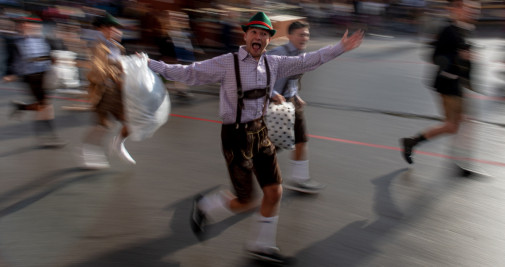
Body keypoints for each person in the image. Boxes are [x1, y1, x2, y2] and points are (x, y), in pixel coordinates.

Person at [146, 12, 363, 264]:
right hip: (235, 136)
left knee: (274, 192)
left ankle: (261, 245)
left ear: (269, 40)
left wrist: (339, 48)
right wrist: (148, 64)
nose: (258, 37)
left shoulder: (275, 64)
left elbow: (309, 60)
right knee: (246, 200)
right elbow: (188, 73)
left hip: (261, 132)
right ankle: (206, 206)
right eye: (254, 32)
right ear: (245, 35)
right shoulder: (228, 62)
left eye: (264, 34)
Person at [400, 0, 480, 171]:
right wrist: (459, 58)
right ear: (455, 10)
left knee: (465, 122)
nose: (472, 12)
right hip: (448, 84)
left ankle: (462, 163)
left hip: (457, 84)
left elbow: (464, 61)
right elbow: (435, 56)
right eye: (467, 9)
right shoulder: (448, 30)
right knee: (452, 126)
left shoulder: (462, 30)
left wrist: (468, 70)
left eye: (474, 10)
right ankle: (412, 141)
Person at [267, 21, 325, 194]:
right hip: (276, 105)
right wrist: (273, 94)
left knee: (301, 140)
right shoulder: (278, 54)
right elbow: (261, 77)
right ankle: (246, 165)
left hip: (291, 103)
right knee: (272, 146)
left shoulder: (301, 54)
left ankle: (299, 178)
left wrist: (295, 95)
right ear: (290, 36)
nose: (304, 37)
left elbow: (291, 79)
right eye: (300, 34)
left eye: (306, 34)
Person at [81, 13, 135, 169]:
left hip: (118, 92)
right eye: (111, 28)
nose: (115, 31)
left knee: (130, 122)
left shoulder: (119, 47)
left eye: (116, 28)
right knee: (103, 126)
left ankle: (118, 144)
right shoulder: (98, 47)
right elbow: (97, 70)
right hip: (103, 92)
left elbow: (122, 68)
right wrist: (115, 71)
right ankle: (87, 152)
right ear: (103, 30)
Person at [4, 14, 66, 147]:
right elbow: (10, 60)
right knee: (46, 107)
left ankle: (22, 107)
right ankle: (49, 138)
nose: (29, 27)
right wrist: (10, 74)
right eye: (25, 24)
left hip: (45, 74)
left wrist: (53, 59)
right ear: (20, 27)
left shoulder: (44, 39)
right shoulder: (14, 42)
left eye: (32, 25)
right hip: (30, 76)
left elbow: (53, 53)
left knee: (43, 106)